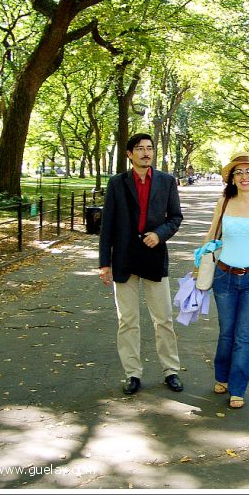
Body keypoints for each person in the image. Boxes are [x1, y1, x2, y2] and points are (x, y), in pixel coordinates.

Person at [99, 133, 185, 396]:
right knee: (128, 321)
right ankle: (132, 374)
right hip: (123, 258)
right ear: (129, 154)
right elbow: (108, 225)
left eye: (150, 148)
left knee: (164, 319)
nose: (146, 153)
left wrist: (159, 234)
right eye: (140, 149)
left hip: (154, 255)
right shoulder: (117, 183)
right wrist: (104, 263)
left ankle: (171, 370)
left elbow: (176, 217)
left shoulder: (167, 181)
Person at [203, 152, 249, 409]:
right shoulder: (224, 202)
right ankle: (221, 376)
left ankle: (237, 388)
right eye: (239, 172)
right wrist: (199, 263)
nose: (244, 176)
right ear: (232, 178)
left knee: (243, 336)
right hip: (224, 276)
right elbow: (211, 234)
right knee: (226, 333)